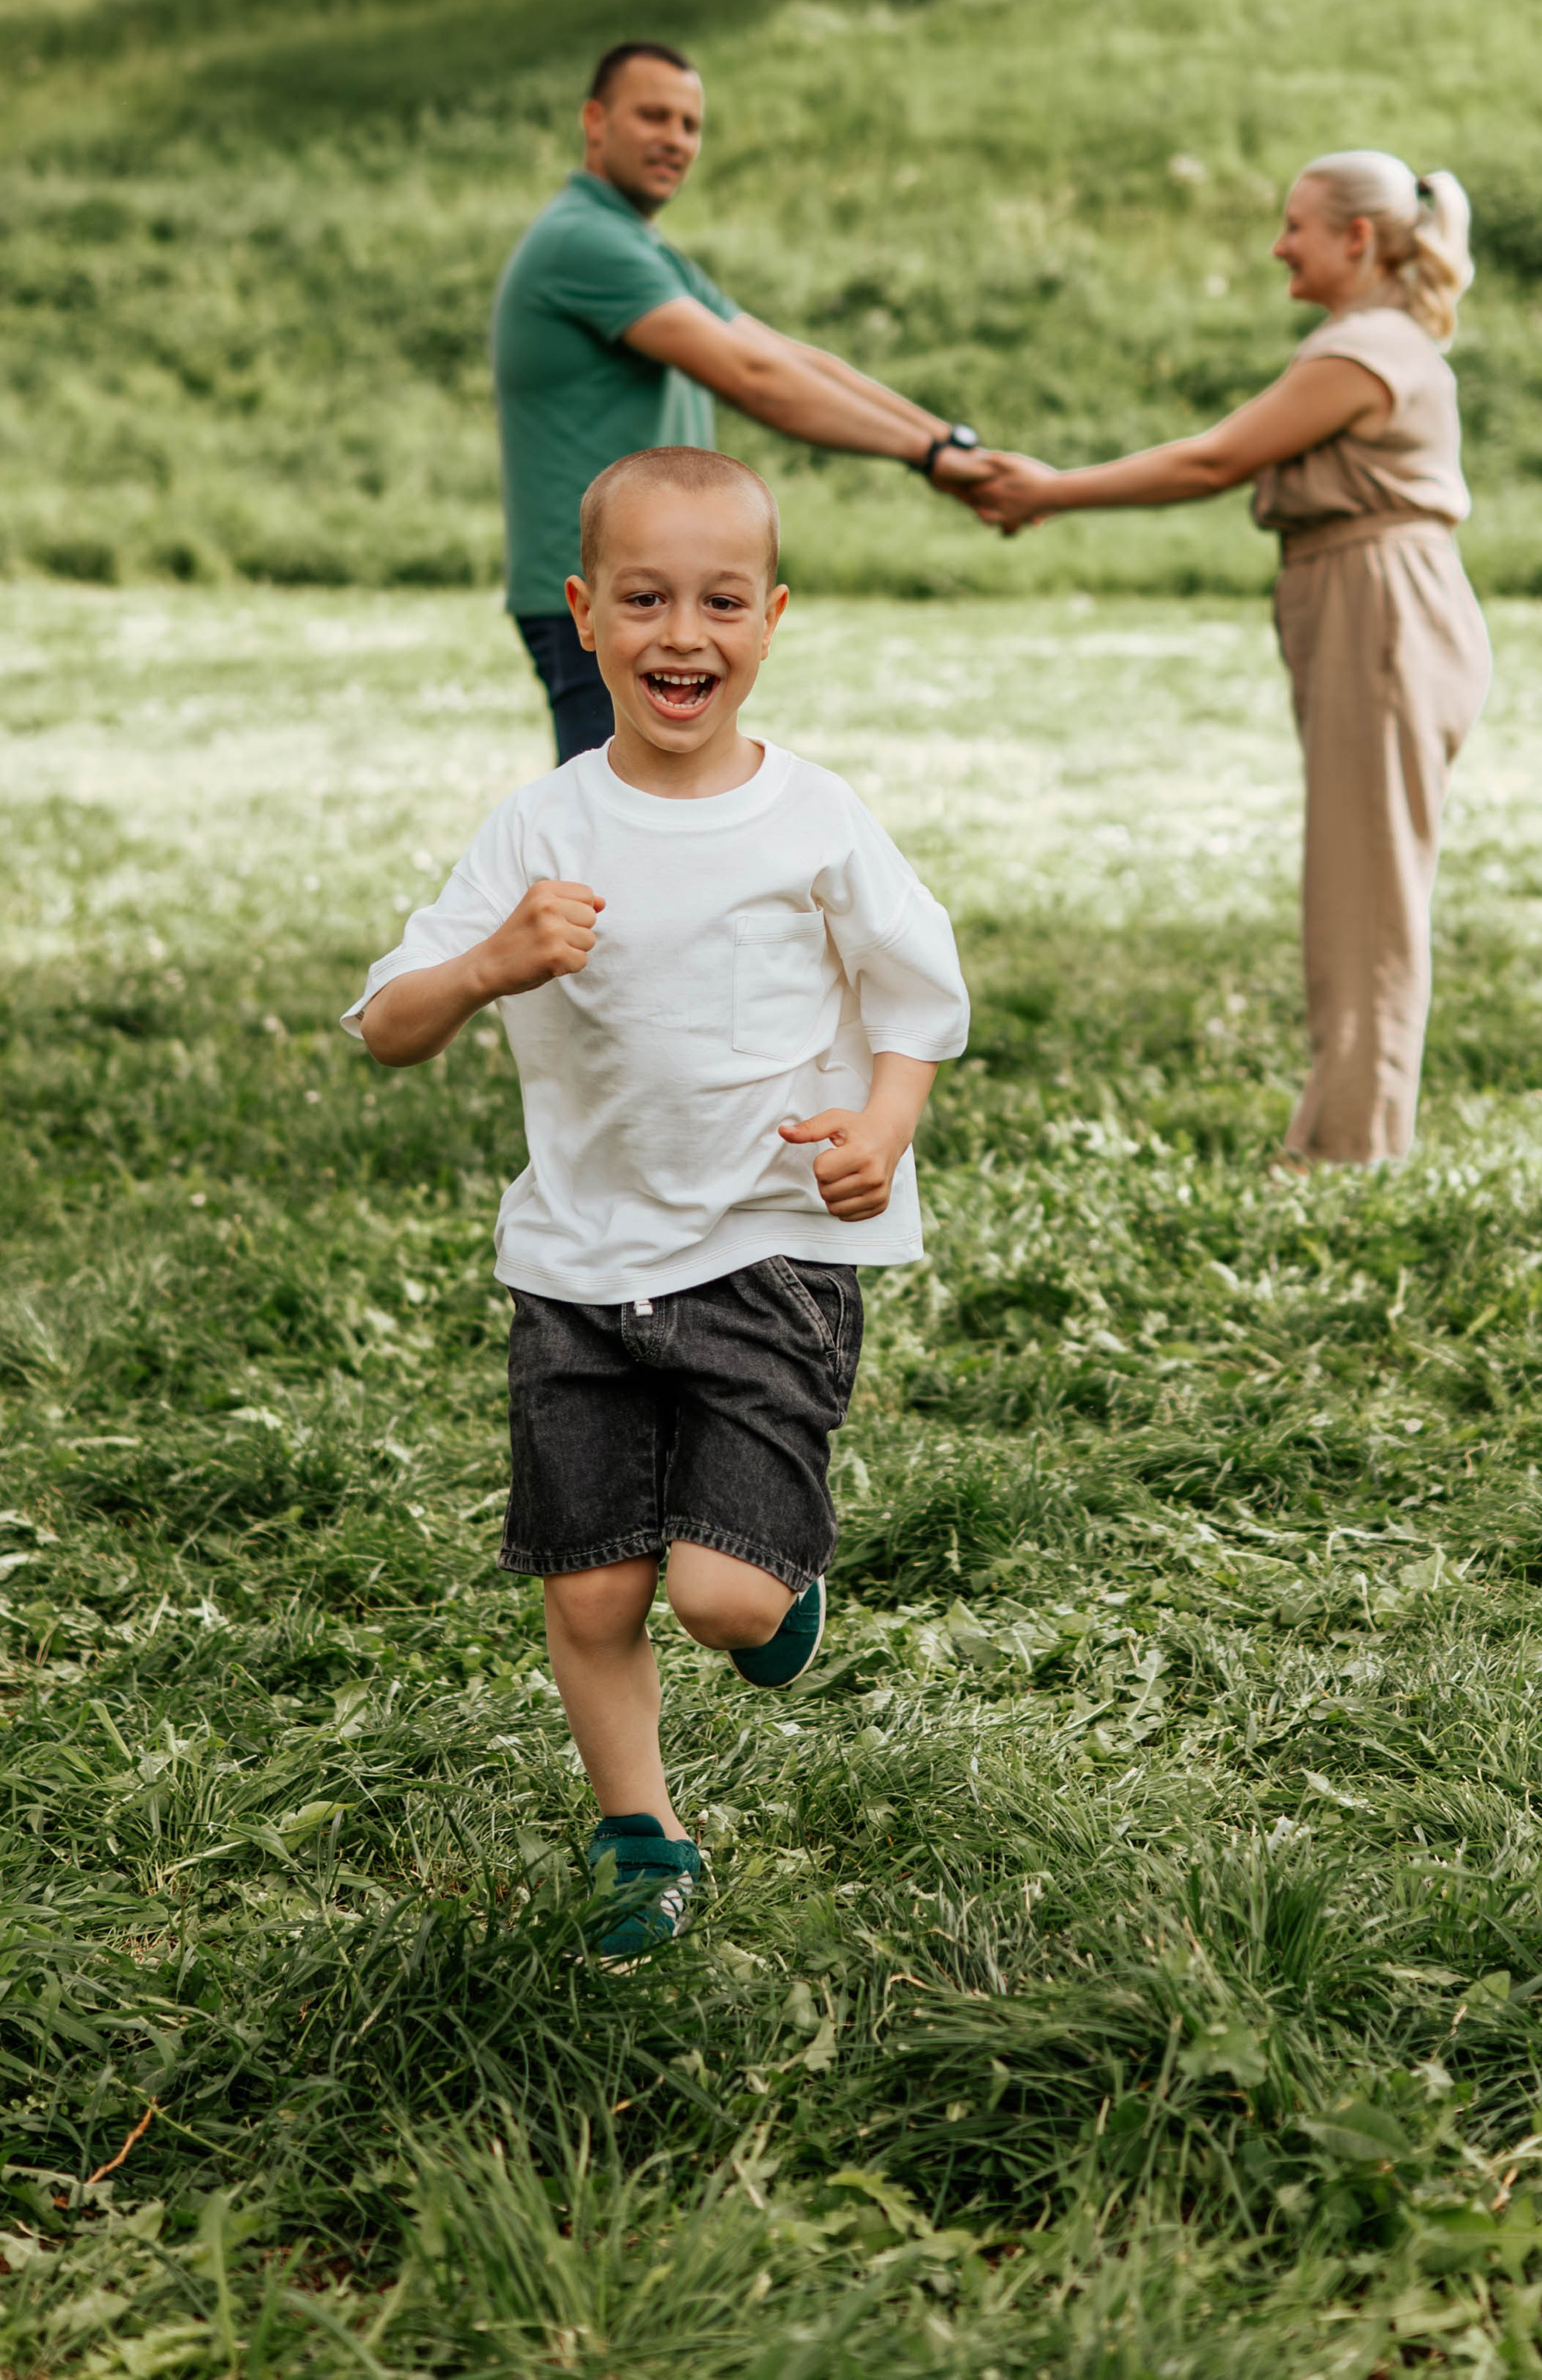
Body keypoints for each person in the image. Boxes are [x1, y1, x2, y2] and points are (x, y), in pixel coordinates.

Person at [345, 445, 969, 1956]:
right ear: (581, 615)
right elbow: (384, 1022)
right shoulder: (538, 832)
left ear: (771, 619)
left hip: (764, 1251)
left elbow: (917, 994)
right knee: (591, 1594)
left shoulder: (812, 819)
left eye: (719, 602)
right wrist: (489, 962)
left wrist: (882, 1126)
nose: (680, 634)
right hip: (576, 1266)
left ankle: (779, 1586)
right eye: (643, 599)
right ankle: (641, 1838)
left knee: (719, 1605)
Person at [969, 153, 1490, 1166]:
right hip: (1366, 601)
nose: (1277, 245)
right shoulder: (1365, 340)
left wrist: (1051, 491)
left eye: (1295, 225)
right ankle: (1344, 1130)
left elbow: (1214, 460)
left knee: (1367, 890)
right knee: (1359, 880)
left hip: (1380, 608)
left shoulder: (1367, 349)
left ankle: (1352, 1152)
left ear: (1357, 238)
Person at [494, 40, 996, 761]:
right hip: (615, 593)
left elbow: (784, 355)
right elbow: (752, 379)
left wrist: (947, 444)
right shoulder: (585, 243)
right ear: (595, 121)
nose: (675, 139)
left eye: (691, 125)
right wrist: (929, 456)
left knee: (664, 820)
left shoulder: (639, 248)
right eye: (654, 116)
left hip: (656, 586)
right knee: (620, 834)